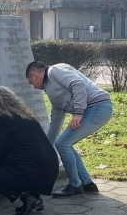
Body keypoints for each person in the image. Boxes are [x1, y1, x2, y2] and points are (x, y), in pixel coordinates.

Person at [26, 61, 112, 197]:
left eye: (31, 83)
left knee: (63, 143)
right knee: (65, 143)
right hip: (92, 109)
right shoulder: (50, 89)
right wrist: (46, 147)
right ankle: (88, 184)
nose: (34, 88)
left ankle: (75, 185)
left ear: (34, 75)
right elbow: (56, 121)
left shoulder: (55, 70)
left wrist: (78, 113)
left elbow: (77, 84)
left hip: (98, 106)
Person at [0, 86, 59, 215]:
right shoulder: (26, 116)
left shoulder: (1, 120)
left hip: (33, 170)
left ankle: (27, 197)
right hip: (50, 168)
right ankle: (34, 196)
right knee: (15, 168)